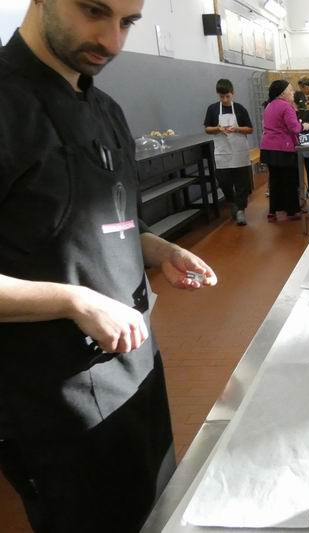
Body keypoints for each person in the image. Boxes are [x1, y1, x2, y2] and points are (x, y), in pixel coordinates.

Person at [0, 1, 218, 531]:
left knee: (158, 507)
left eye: (127, 22)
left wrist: (158, 249)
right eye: (94, 11)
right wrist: (74, 300)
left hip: (137, 371)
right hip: (56, 400)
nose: (113, 41)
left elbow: (100, 224)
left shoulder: (107, 110)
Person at [204, 78, 254, 226]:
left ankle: (240, 211)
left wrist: (237, 129)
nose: (225, 99)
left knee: (242, 183)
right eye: (222, 96)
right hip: (223, 152)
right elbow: (207, 129)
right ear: (218, 95)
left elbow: (250, 129)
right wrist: (217, 129)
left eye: (228, 96)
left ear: (233, 94)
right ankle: (233, 202)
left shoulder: (240, 109)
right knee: (224, 181)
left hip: (239, 151)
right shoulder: (212, 109)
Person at [261, 79, 309, 221]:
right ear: (282, 93)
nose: (293, 92)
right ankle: (292, 211)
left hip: (268, 148)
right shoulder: (286, 107)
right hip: (283, 148)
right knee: (289, 179)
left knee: (275, 180)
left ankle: (273, 211)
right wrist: (305, 127)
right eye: (290, 90)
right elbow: (294, 128)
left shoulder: (269, 106)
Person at [294, 90, 309, 198]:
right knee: (308, 166)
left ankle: (299, 190)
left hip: (297, 142)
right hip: (308, 142)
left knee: (297, 168)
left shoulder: (293, 114)